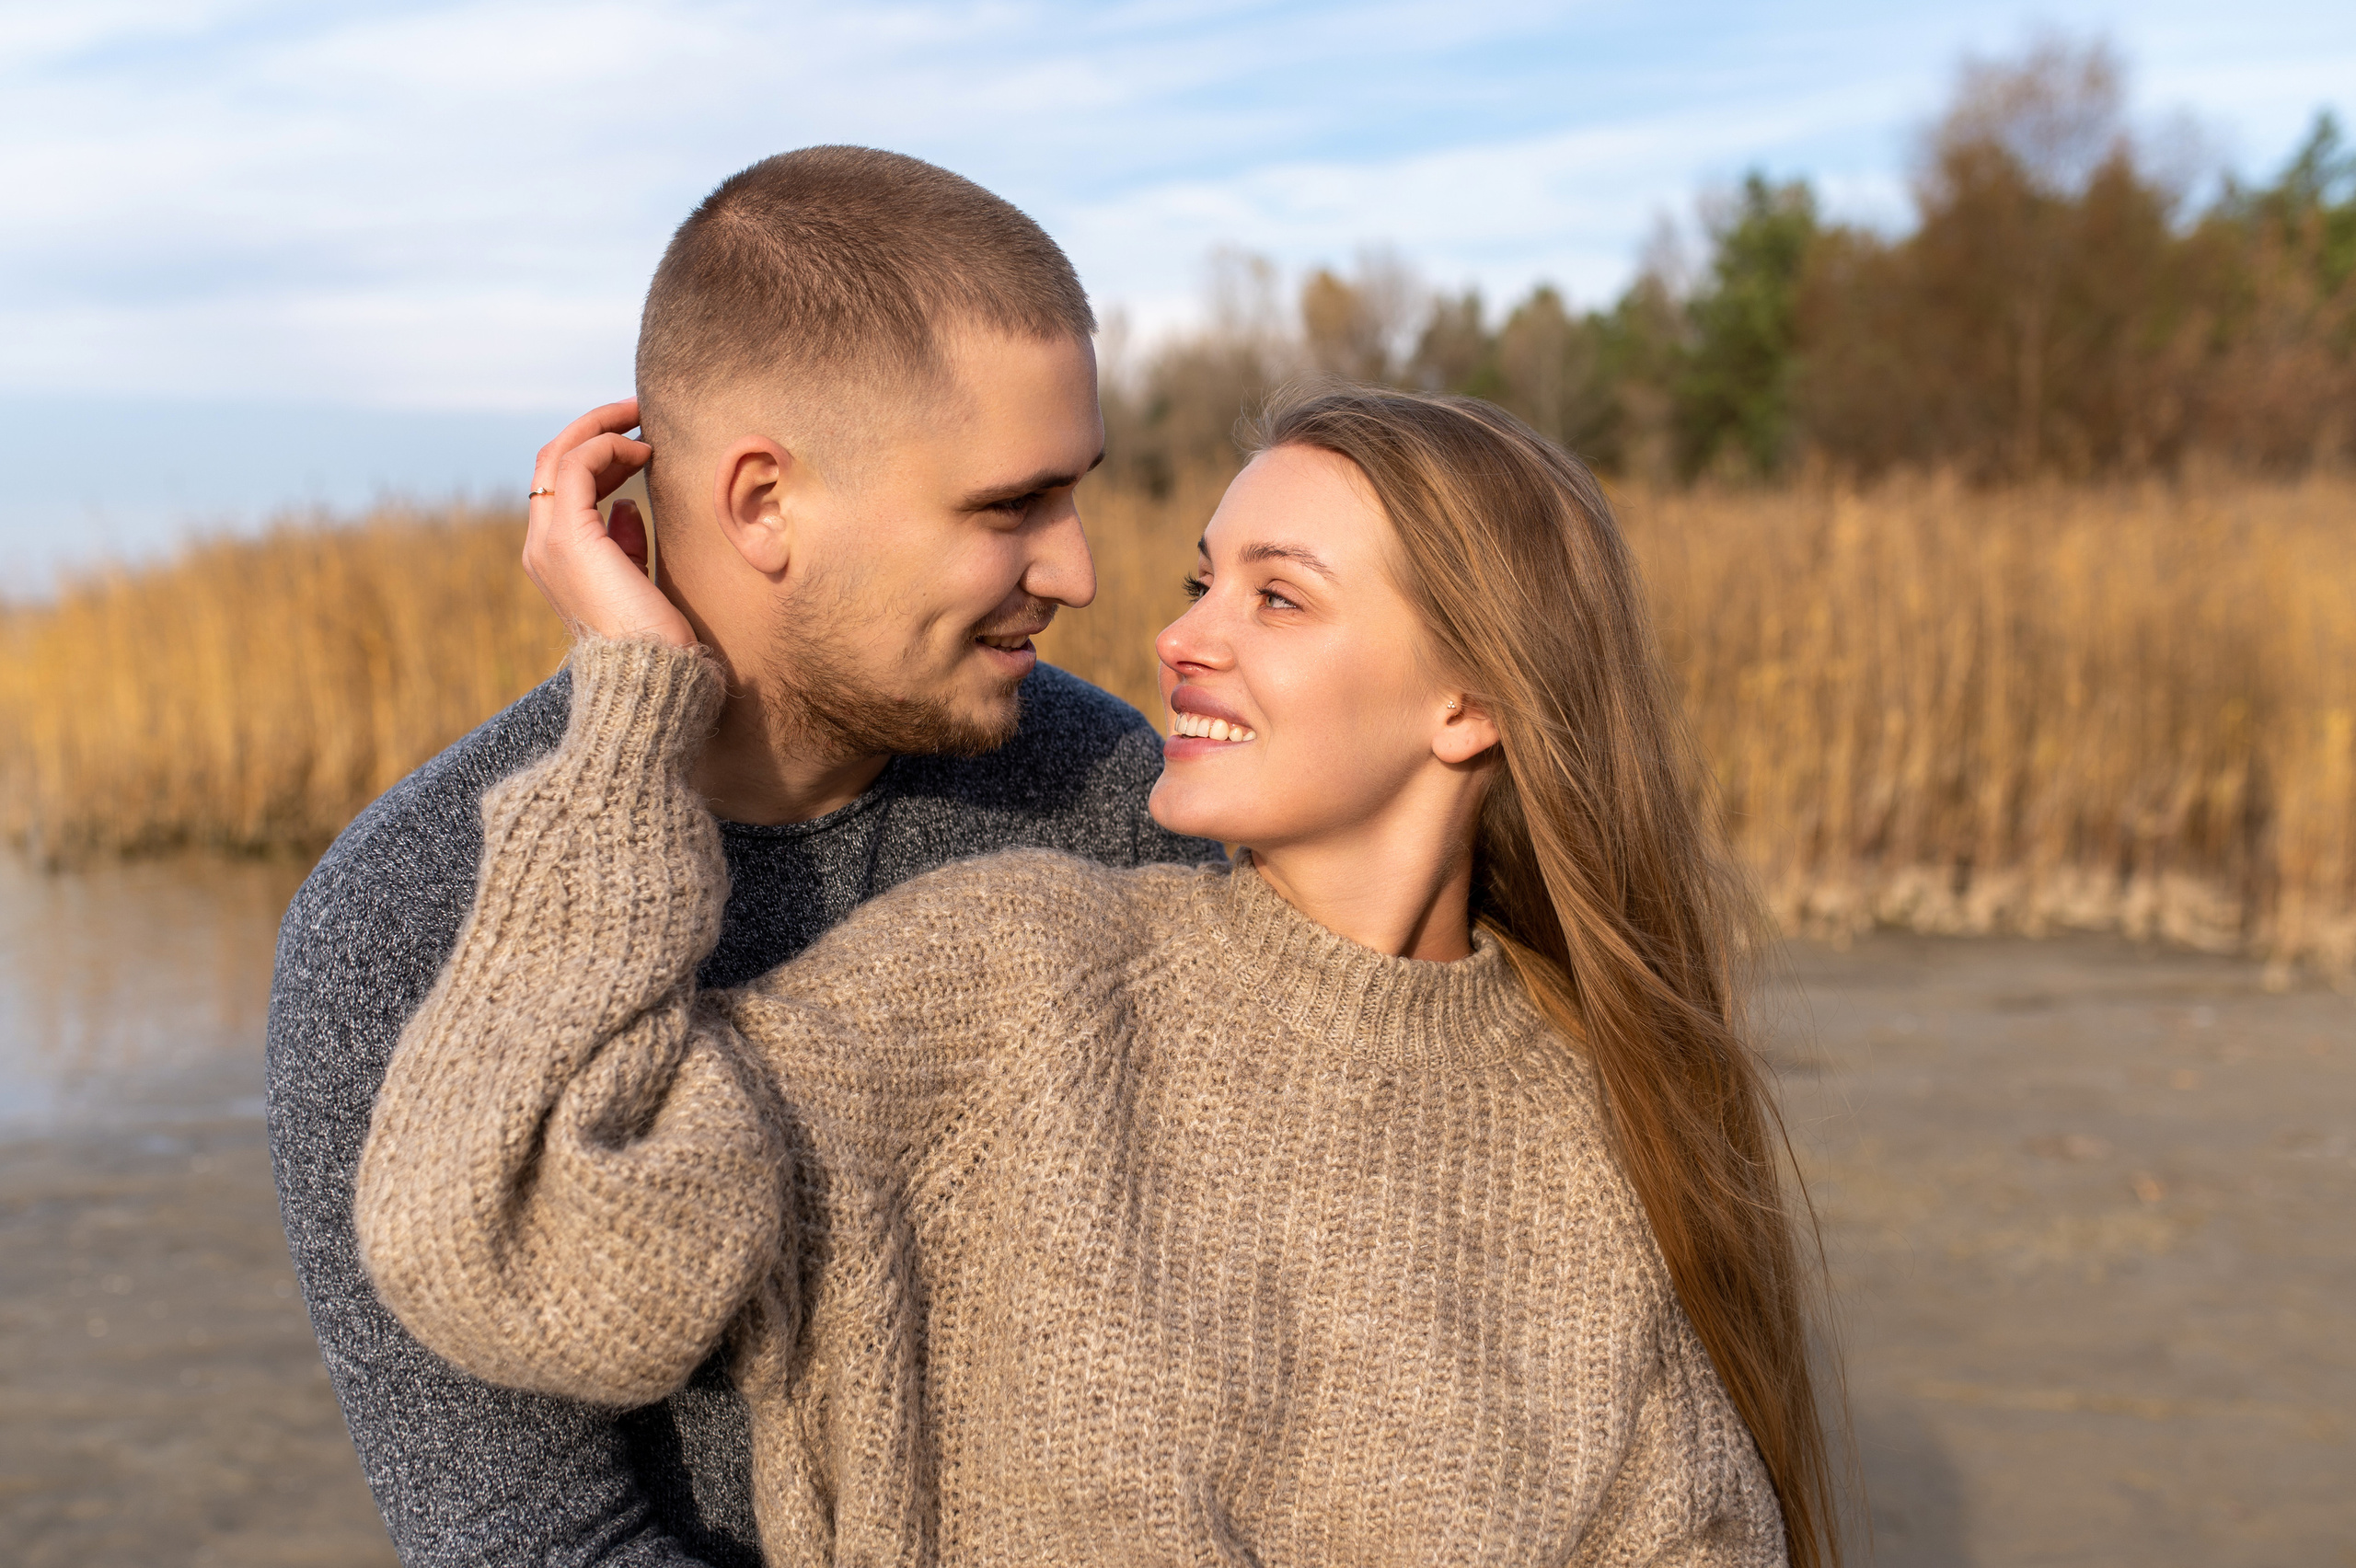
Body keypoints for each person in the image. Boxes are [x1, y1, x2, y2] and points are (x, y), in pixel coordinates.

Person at [355, 384, 1841, 1566]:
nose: (1177, 638)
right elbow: (507, 1239)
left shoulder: (1595, 1135)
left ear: (1472, 702)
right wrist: (630, 708)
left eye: (1278, 597)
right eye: (1206, 581)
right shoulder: (1010, 984)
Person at [267, 146, 1213, 1568]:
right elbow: (533, 1543)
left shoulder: (1106, 791)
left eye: (1072, 494)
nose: (1076, 570)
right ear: (764, 503)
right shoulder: (403, 927)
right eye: (1009, 509)